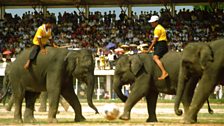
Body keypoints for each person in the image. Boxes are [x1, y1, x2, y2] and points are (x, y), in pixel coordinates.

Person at [148, 15, 169, 80]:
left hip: (160, 44)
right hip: (164, 44)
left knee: (155, 58)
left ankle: (164, 72)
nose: (151, 23)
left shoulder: (157, 29)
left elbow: (155, 40)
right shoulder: (161, 27)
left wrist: (149, 49)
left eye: (153, 22)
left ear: (156, 22)